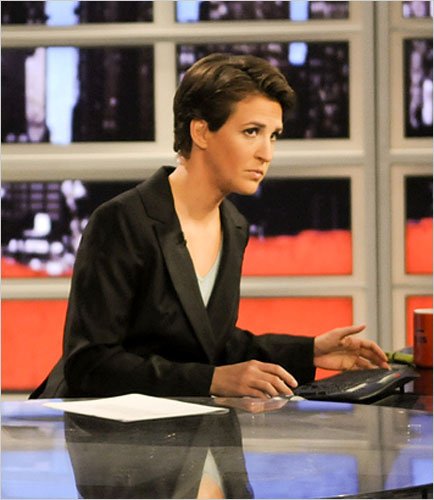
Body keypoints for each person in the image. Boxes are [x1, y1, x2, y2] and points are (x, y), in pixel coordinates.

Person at [30, 53, 389, 400]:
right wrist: (213, 380)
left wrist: (309, 351)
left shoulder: (234, 225)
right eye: (251, 131)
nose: (267, 153)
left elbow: (209, 342)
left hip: (177, 428)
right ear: (201, 132)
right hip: (96, 430)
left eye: (273, 135)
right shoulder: (122, 221)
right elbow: (90, 364)